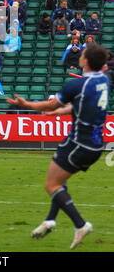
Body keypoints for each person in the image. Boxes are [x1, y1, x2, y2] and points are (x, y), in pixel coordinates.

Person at [6, 44, 110, 249]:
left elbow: (50, 104)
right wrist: (59, 113)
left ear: (86, 61)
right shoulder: (104, 80)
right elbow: (78, 103)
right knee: (60, 179)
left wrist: (26, 105)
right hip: (96, 145)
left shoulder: (75, 85)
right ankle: (50, 220)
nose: (80, 56)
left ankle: (80, 224)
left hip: (78, 142)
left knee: (51, 185)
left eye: (82, 54)